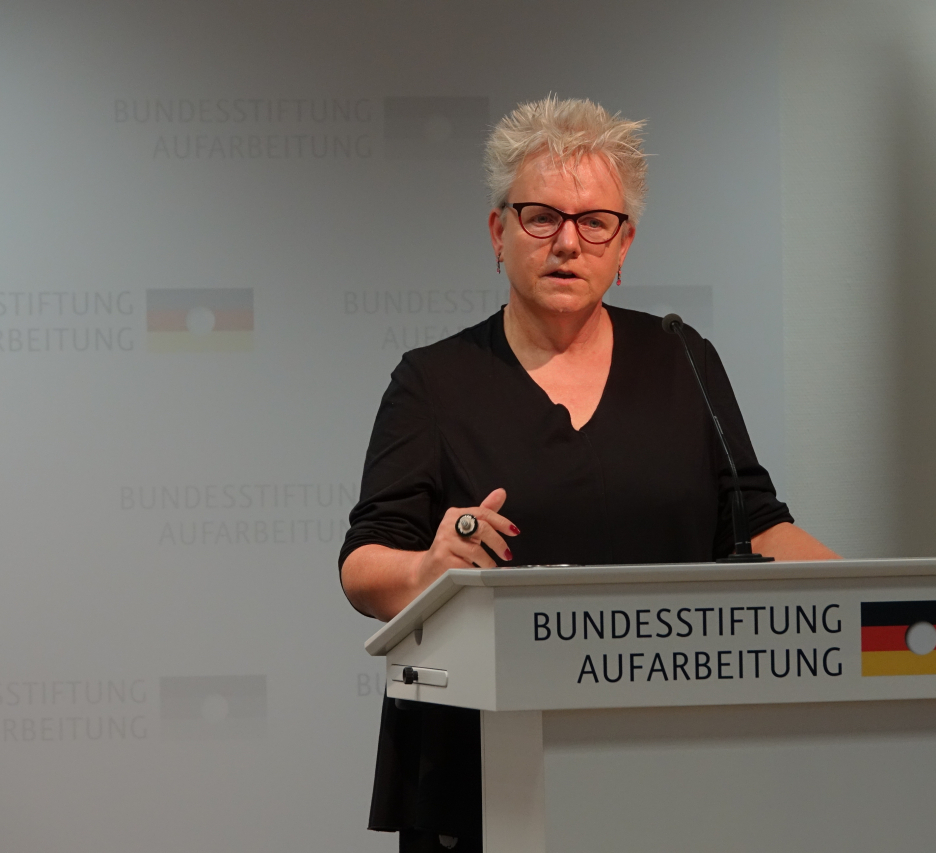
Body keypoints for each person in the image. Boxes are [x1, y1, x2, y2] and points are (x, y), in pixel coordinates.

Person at [338, 96, 838, 852]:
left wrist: (870, 603)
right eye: (541, 217)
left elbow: (757, 525)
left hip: (665, 762)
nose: (568, 242)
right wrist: (428, 568)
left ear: (624, 241)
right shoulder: (434, 382)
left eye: (595, 221)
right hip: (481, 770)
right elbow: (363, 564)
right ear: (498, 232)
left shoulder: (684, 358)